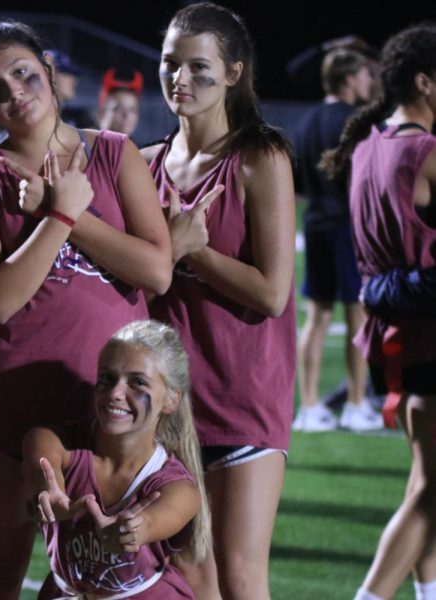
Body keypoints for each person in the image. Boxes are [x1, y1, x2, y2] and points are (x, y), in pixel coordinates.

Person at [0, 20, 172, 598]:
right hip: (13, 397)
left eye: (22, 73)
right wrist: (58, 218)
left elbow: (156, 270)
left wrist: (71, 212)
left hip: (110, 402)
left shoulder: (115, 154)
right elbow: (0, 300)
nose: (14, 93)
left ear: (47, 68)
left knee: (113, 576)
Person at [141, 4, 296, 599]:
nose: (180, 80)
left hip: (241, 392)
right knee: (187, 580)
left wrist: (193, 253)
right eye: (170, 64)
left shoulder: (260, 157)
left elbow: (273, 292)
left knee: (238, 575)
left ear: (234, 72)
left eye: (198, 68)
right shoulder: (147, 162)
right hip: (166, 403)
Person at [320, 23, 436, 600]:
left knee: (427, 481)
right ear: (424, 82)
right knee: (431, 493)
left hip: (396, 332)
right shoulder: (425, 150)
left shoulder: (369, 144)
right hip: (428, 334)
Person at [23, 319, 210, 599]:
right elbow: (42, 457)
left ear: (171, 400)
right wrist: (50, 491)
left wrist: (135, 530)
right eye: (107, 378)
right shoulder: (61, 443)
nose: (115, 393)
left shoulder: (177, 486)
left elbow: (161, 516)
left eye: (137, 382)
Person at [292, 48, 381, 432]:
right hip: (349, 227)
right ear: (348, 79)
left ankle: (309, 407)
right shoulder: (357, 122)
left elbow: (296, 186)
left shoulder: (306, 122)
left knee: (317, 317)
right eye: (363, 75)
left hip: (315, 224)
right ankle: (357, 405)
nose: (368, 82)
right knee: (358, 316)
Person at [46, 49, 96, 129]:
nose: (74, 81)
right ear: (48, 75)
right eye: (67, 74)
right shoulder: (34, 117)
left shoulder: (77, 117)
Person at [97, 68, 144, 139]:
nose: (126, 116)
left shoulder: (139, 149)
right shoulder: (83, 145)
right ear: (101, 113)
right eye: (118, 109)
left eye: (132, 110)